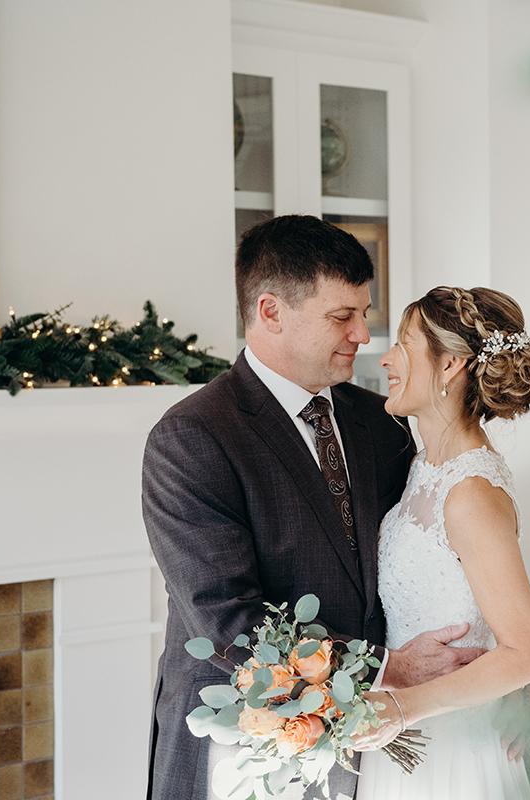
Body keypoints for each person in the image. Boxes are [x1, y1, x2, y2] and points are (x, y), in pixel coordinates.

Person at [142, 216, 484, 800]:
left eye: (365, 312)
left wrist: (494, 686)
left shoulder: (385, 424)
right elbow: (227, 622)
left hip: (380, 748)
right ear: (271, 311)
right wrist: (384, 668)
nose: (362, 334)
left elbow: (446, 554)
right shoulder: (193, 437)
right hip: (243, 745)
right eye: (341, 316)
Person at [352, 286, 530, 800]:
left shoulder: (470, 493)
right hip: (403, 737)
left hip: (451, 749)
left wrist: (401, 708)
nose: (387, 359)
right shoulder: (423, 464)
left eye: (404, 345)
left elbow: (525, 653)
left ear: (450, 366)